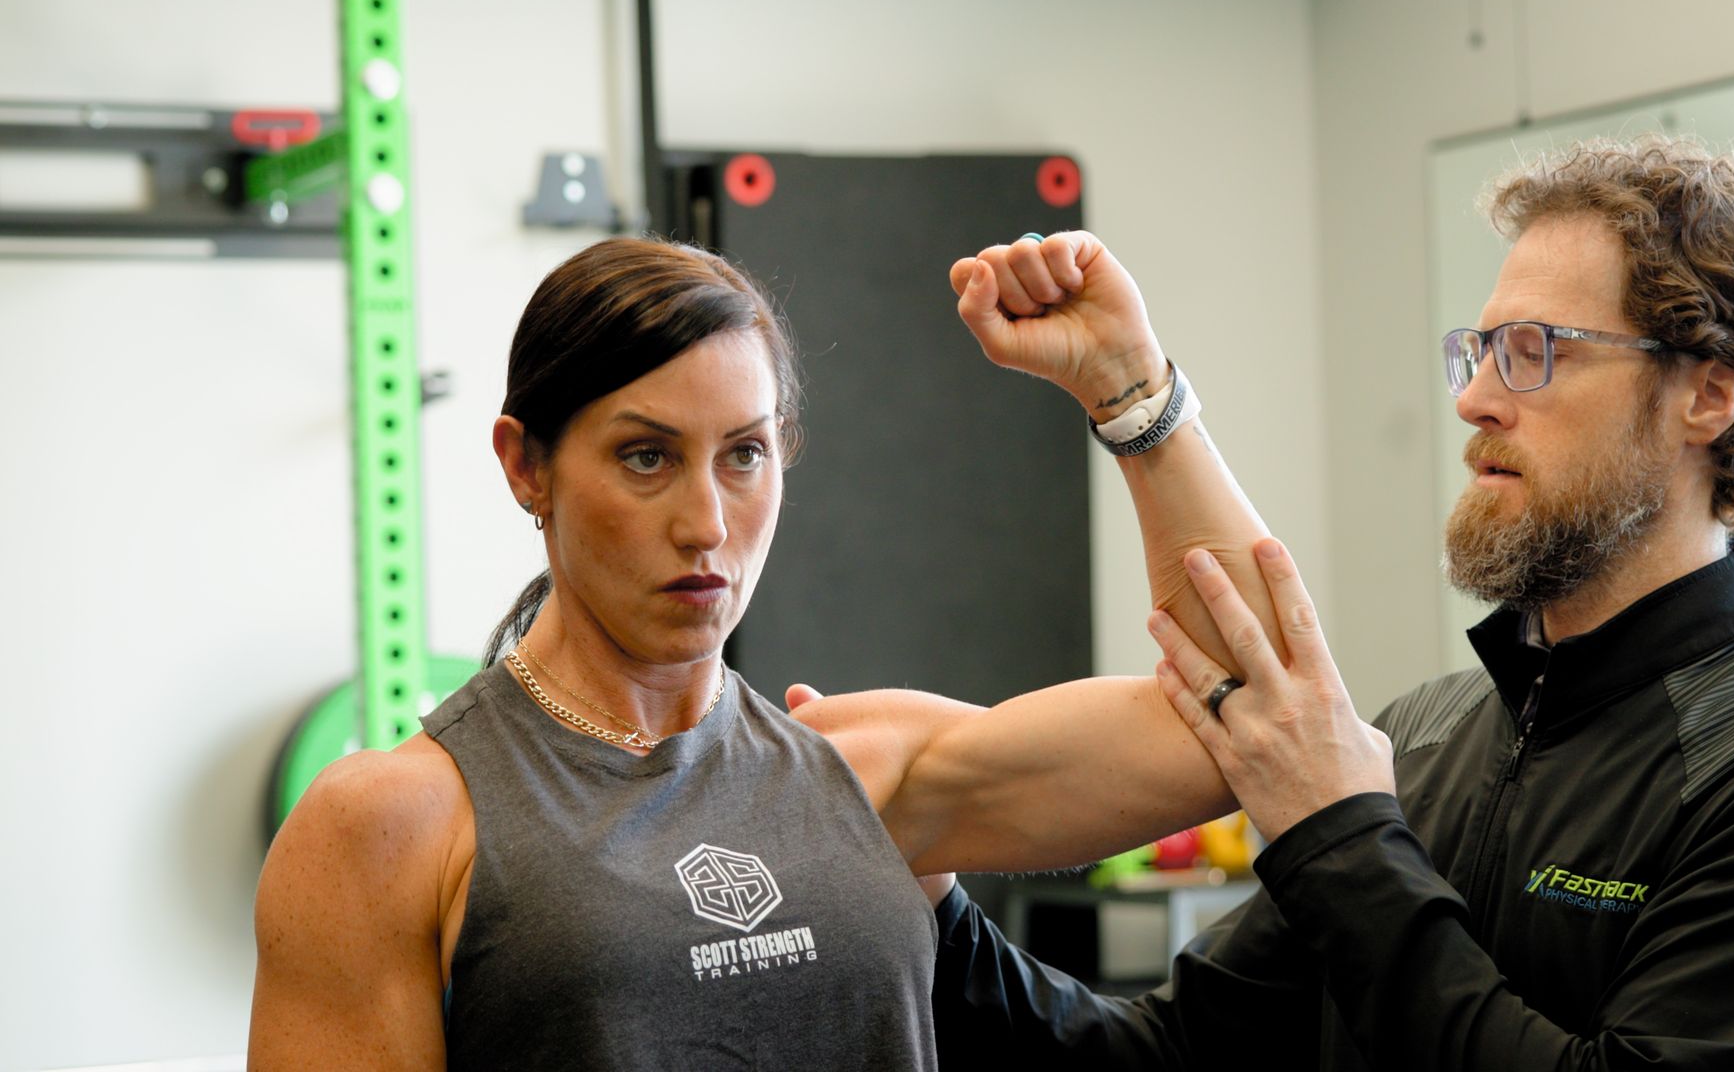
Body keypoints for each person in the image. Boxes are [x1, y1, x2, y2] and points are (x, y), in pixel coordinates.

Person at [930, 136, 1734, 1070]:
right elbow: (1163, 1057)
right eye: (1480, 350)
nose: (1475, 398)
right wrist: (919, 898)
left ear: (1710, 395)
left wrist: (1337, 833)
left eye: (1535, 350)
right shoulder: (1427, 737)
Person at [245, 232, 1277, 1069]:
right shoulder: (393, 825)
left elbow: (1258, 708)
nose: (706, 523)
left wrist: (1133, 390)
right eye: (645, 457)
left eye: (744, 454)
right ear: (527, 467)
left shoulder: (865, 773)